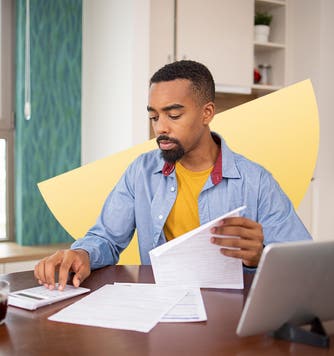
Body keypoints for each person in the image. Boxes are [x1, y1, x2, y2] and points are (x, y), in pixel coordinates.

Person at [34, 60, 312, 290]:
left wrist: (260, 257)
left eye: (174, 115)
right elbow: (106, 238)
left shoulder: (256, 181)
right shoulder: (140, 173)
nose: (161, 128)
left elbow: (304, 264)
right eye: (154, 117)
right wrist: (81, 254)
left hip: (229, 320)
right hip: (160, 311)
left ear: (207, 113)